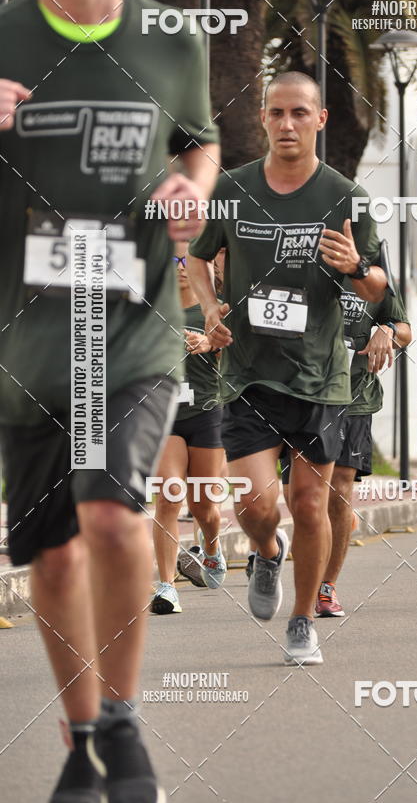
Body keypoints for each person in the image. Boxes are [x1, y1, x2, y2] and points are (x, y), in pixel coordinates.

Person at [0, 0, 219, 800]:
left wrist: (189, 186)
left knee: (113, 514)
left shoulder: (172, 39)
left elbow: (201, 141)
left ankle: (121, 727)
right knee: (51, 557)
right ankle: (84, 736)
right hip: (26, 344)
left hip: (129, 330)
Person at [187, 71, 387, 665]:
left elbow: (379, 289)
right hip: (247, 371)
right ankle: (267, 552)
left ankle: (303, 622)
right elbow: (199, 258)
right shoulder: (234, 187)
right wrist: (209, 306)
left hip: (320, 376)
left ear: (320, 119)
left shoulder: (346, 196)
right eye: (276, 113)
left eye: (300, 113)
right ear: (264, 119)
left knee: (309, 502)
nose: (287, 124)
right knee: (255, 506)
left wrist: (355, 266)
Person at [278, 268, 411, 616]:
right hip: (302, 395)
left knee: (339, 490)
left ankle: (326, 587)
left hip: (354, 397)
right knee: (300, 498)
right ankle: (327, 527)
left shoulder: (369, 276)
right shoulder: (296, 266)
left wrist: (387, 329)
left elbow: (405, 329)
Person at [150, 243, 226, 614]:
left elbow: (241, 357)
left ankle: (211, 546)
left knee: (204, 506)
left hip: (207, 411)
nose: (181, 267)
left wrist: (210, 343)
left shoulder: (216, 308)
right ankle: (166, 588)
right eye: (173, 259)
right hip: (164, 416)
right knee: (168, 496)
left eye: (189, 260)